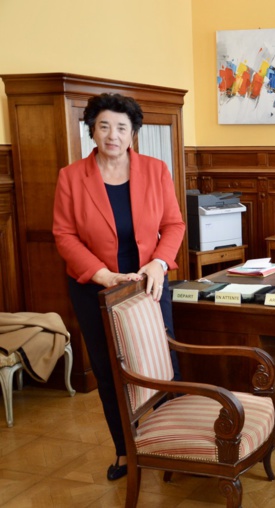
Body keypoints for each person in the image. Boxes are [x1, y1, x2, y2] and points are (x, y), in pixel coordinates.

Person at [52, 93, 185, 481]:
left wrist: (159, 264)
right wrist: (102, 275)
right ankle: (126, 449)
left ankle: (171, 446)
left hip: (149, 282)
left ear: (134, 133)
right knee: (112, 369)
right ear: (92, 130)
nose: (113, 134)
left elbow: (174, 225)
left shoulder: (156, 170)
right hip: (97, 286)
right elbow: (64, 235)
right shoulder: (71, 177)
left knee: (162, 361)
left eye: (121, 127)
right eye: (104, 126)